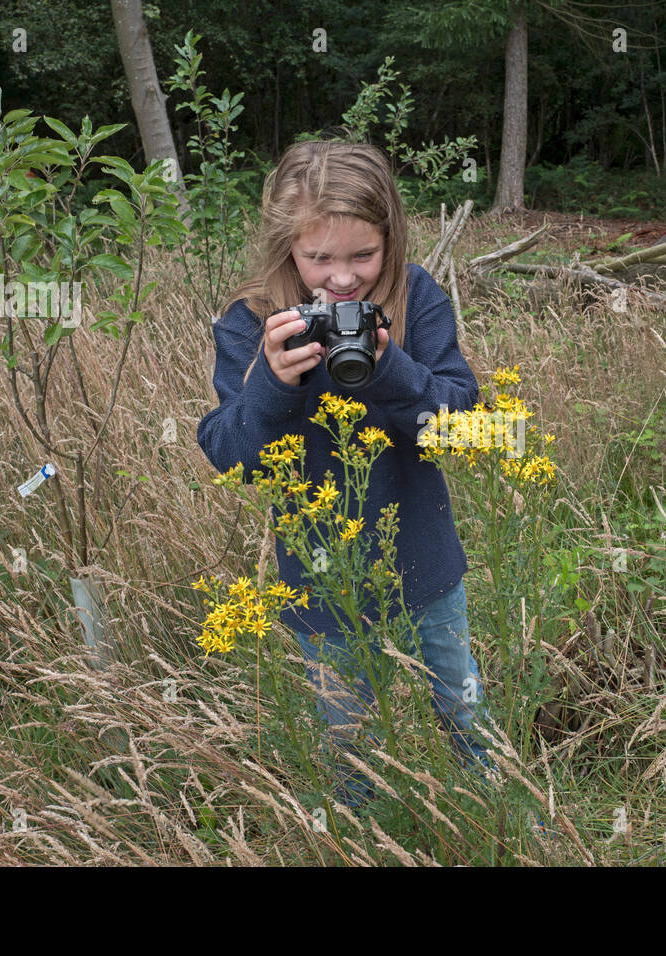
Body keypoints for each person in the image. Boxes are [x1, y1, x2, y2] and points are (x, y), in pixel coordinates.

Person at [196, 140, 494, 807]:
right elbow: (228, 452)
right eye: (318, 258)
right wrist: (273, 382)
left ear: (391, 236)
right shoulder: (252, 322)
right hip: (320, 582)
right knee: (348, 743)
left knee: (464, 710)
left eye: (363, 255)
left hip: (423, 559)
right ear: (286, 250)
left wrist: (391, 367)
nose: (341, 280)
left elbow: (460, 419)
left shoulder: (414, 295)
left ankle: (498, 817)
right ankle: (362, 837)